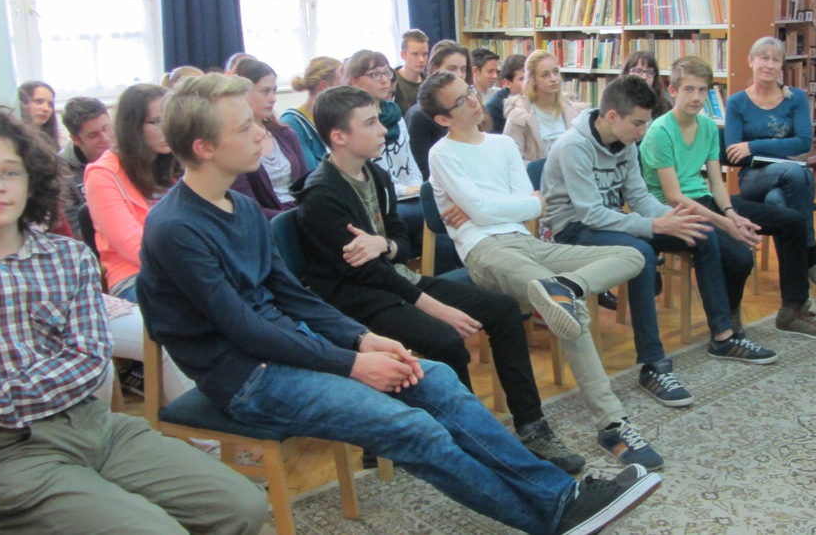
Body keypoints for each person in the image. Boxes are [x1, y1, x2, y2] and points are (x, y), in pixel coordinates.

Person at [137, 73, 662, 535]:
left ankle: (562, 497)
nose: (261, 133)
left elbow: (291, 295)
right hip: (246, 378)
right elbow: (244, 330)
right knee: (410, 426)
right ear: (204, 147)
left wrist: (362, 339)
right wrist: (352, 362)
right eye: (245, 127)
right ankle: (552, 515)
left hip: (290, 349)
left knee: (437, 379)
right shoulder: (176, 228)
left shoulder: (242, 207)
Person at [0, 106, 266, 535]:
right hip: (7, 450)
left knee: (243, 505)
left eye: (10, 172)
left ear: (30, 179)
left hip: (97, 425)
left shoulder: (67, 257)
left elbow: (88, 363)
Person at [293, 85, 584, 473]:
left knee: (503, 311)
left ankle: (532, 426)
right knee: (446, 339)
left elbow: (401, 241)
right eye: (371, 123)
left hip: (394, 281)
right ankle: (473, 439)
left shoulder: (375, 174)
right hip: (356, 299)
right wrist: (435, 307)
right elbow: (364, 272)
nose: (383, 130)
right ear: (339, 136)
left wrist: (383, 244)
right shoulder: (321, 195)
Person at [420, 71, 664, 470]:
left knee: (634, 256)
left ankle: (568, 286)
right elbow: (507, 206)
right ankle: (612, 423)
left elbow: (532, 205)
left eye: (470, 92)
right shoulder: (442, 154)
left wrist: (498, 206)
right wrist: (509, 205)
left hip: (528, 243)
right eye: (460, 101)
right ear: (443, 118)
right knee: (565, 306)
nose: (473, 100)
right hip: (484, 249)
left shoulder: (501, 144)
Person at [547, 75, 784, 408]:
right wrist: (654, 225)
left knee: (700, 232)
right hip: (573, 229)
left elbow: (639, 197)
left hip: (611, 221)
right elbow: (590, 214)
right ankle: (653, 364)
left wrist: (672, 220)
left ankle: (723, 335)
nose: (643, 132)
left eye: (646, 123)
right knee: (641, 253)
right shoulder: (575, 146)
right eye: (638, 124)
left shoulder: (627, 143)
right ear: (612, 116)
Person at [641, 57, 816, 344]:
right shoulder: (660, 132)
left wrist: (730, 212)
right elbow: (674, 197)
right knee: (739, 256)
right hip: (674, 212)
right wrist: (726, 223)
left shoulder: (708, 126)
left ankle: (793, 311)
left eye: (702, 90)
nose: (696, 97)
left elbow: (716, 182)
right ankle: (728, 318)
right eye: (688, 89)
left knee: (793, 221)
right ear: (672, 91)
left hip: (705, 201)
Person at [724, 36, 816, 295]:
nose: (769, 65)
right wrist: (777, 148)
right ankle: (812, 256)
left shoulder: (795, 98)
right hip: (753, 178)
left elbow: (803, 143)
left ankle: (797, 294)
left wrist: (753, 146)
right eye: (763, 58)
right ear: (750, 61)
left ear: (782, 65)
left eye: (776, 60)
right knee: (793, 170)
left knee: (778, 201)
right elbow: (735, 153)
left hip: (792, 180)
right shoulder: (737, 102)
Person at [84, 84, 179, 304]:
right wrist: (192, 267)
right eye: (157, 122)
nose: (167, 129)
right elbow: (134, 247)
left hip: (188, 265)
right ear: (133, 126)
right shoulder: (102, 174)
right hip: (135, 276)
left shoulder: (179, 161)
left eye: (171, 119)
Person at [347, 49, 424, 251]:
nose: (384, 80)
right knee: (436, 213)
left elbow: (410, 163)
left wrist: (418, 188)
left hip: (410, 195)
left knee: (441, 235)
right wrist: (410, 191)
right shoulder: (353, 123)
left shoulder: (395, 114)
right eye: (374, 74)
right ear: (354, 81)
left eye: (386, 73)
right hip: (384, 201)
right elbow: (374, 180)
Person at [231, 59, 309, 219]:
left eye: (274, 91)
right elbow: (249, 206)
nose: (273, 98)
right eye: (265, 91)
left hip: (301, 215)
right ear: (243, 94)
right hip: (269, 222)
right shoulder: (234, 143)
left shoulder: (286, 134)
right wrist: (295, 218)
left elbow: (307, 183)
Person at [504, 50, 590, 162]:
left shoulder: (574, 110)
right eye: (545, 75)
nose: (553, 79)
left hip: (571, 171)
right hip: (537, 173)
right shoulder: (519, 115)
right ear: (533, 80)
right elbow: (511, 161)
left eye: (556, 72)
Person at [406, 42, 469, 179]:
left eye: (463, 69)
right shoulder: (420, 116)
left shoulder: (470, 105)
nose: (459, 75)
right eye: (452, 68)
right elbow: (425, 171)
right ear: (435, 70)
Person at [59, 96, 114, 238]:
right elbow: (76, 231)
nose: (105, 138)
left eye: (106, 128)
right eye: (93, 135)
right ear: (76, 139)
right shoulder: (62, 172)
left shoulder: (129, 151)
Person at [281, 56, 344, 171]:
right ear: (325, 86)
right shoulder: (292, 122)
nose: (347, 90)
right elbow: (311, 170)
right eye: (342, 84)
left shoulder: (337, 117)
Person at [621, 51, 673, 120]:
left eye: (649, 72)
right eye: (638, 71)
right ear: (626, 73)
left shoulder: (664, 106)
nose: (644, 77)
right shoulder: (616, 102)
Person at [486, 53, 526, 135]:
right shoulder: (494, 110)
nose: (529, 82)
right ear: (508, 83)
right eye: (522, 79)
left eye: (530, 77)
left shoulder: (537, 98)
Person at [392, 29, 429, 113]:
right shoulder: (391, 83)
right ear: (403, 55)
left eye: (425, 54)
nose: (421, 59)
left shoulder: (430, 82)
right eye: (415, 54)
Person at [17, 80, 59, 147]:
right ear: (22, 103)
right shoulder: (11, 139)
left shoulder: (59, 140)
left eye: (50, 104)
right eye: (38, 101)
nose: (46, 109)